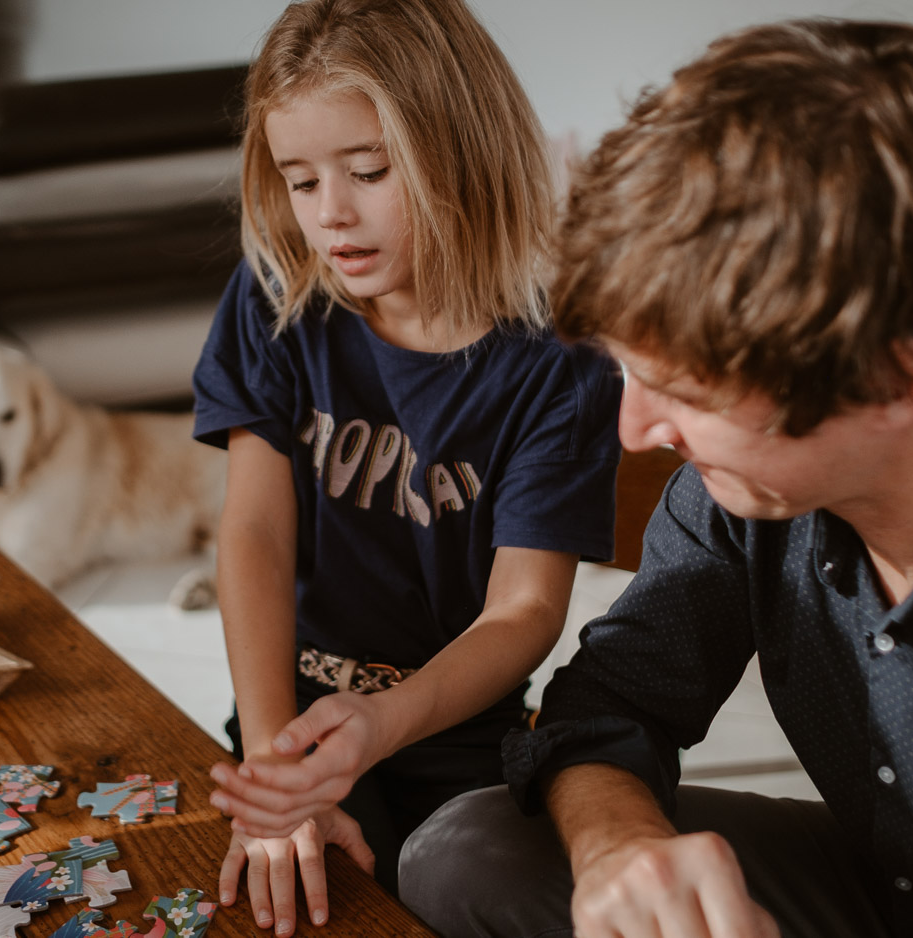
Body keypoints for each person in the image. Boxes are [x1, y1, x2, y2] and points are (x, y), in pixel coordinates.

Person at [397, 17, 913, 938]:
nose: (635, 432)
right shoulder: (746, 498)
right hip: (886, 882)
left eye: (680, 389)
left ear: (895, 377)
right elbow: (609, 703)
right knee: (468, 851)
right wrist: (617, 848)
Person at [190, 0, 623, 934]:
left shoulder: (559, 361)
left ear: (462, 149)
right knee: (290, 898)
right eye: (300, 181)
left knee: (433, 895)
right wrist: (272, 766)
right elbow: (255, 536)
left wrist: (380, 725)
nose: (330, 214)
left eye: (369, 171)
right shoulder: (274, 294)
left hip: (451, 727)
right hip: (288, 708)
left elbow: (524, 611)